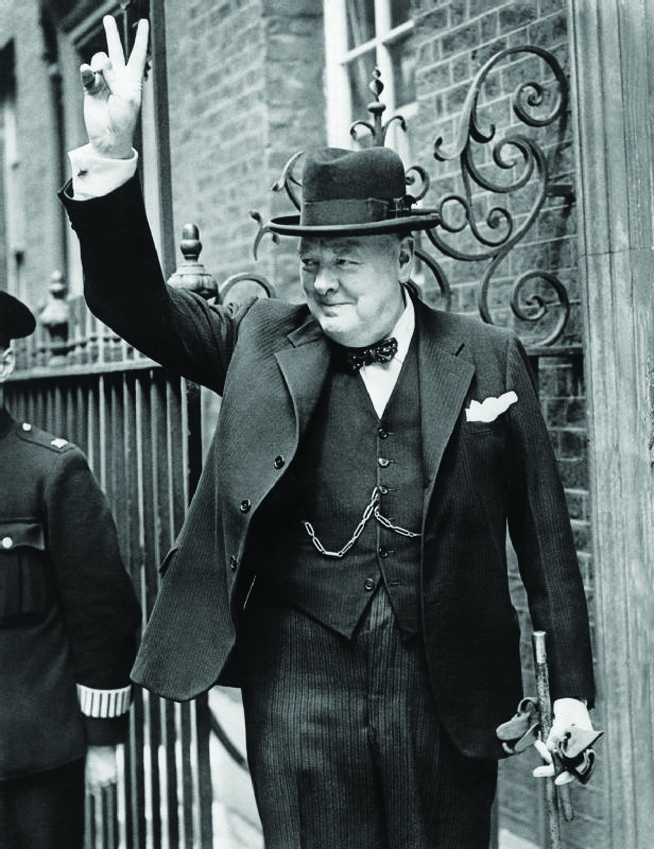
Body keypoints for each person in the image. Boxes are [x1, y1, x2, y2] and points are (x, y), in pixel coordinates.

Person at [61, 16, 597, 848]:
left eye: (345, 258)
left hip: (446, 687)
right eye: (311, 261)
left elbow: (545, 539)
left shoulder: (489, 359)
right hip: (299, 685)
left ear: (402, 257)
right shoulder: (261, 339)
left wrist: (568, 692)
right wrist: (112, 162)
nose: (321, 281)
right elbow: (133, 302)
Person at [0, 290, 142, 849]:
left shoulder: (50, 471)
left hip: (30, 758)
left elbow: (101, 612)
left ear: (4, 362)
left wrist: (103, 740)